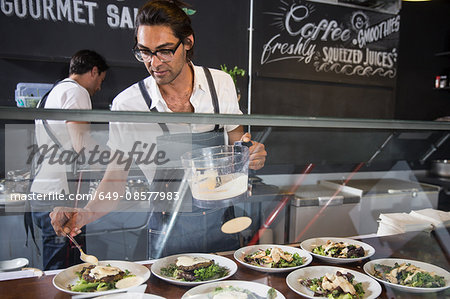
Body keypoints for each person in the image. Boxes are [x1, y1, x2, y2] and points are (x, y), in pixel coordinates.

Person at [50, 0, 267, 258]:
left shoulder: (220, 84)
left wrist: (251, 155)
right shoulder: (128, 104)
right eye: (145, 52)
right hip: (168, 232)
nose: (154, 63)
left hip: (224, 224)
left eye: (164, 51)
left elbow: (237, 148)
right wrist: (85, 213)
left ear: (187, 42)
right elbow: (115, 179)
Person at [29, 49, 108, 270]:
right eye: (101, 80)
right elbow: (82, 145)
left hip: (43, 191)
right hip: (62, 195)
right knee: (67, 271)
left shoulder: (51, 94)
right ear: (93, 71)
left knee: (62, 267)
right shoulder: (77, 92)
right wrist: (115, 164)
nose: (99, 87)